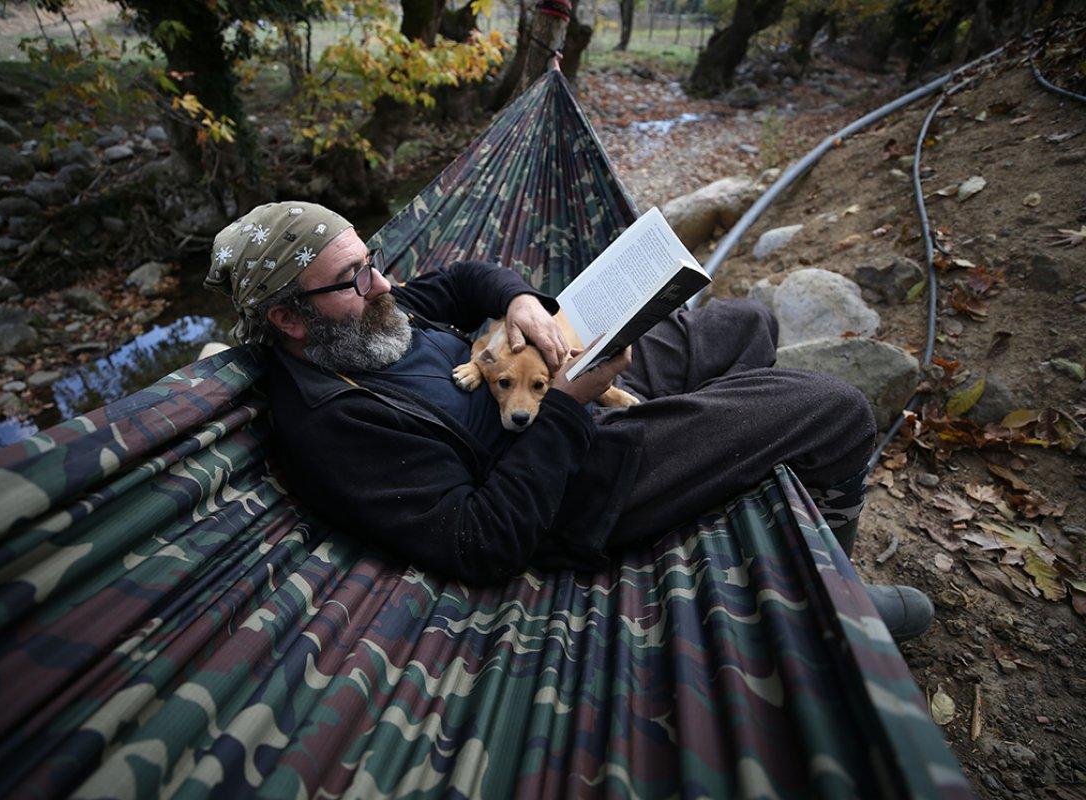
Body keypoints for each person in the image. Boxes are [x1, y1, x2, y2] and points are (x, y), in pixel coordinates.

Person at [205, 201, 935, 641]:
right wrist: (566, 408)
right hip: (573, 481)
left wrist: (522, 302)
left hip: (551, 390)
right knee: (833, 410)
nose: (384, 283)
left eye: (372, 261)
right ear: (286, 320)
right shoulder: (334, 424)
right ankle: (835, 602)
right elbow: (481, 541)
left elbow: (462, 283)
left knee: (746, 322)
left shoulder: (368, 319)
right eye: (354, 277)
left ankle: (742, 470)